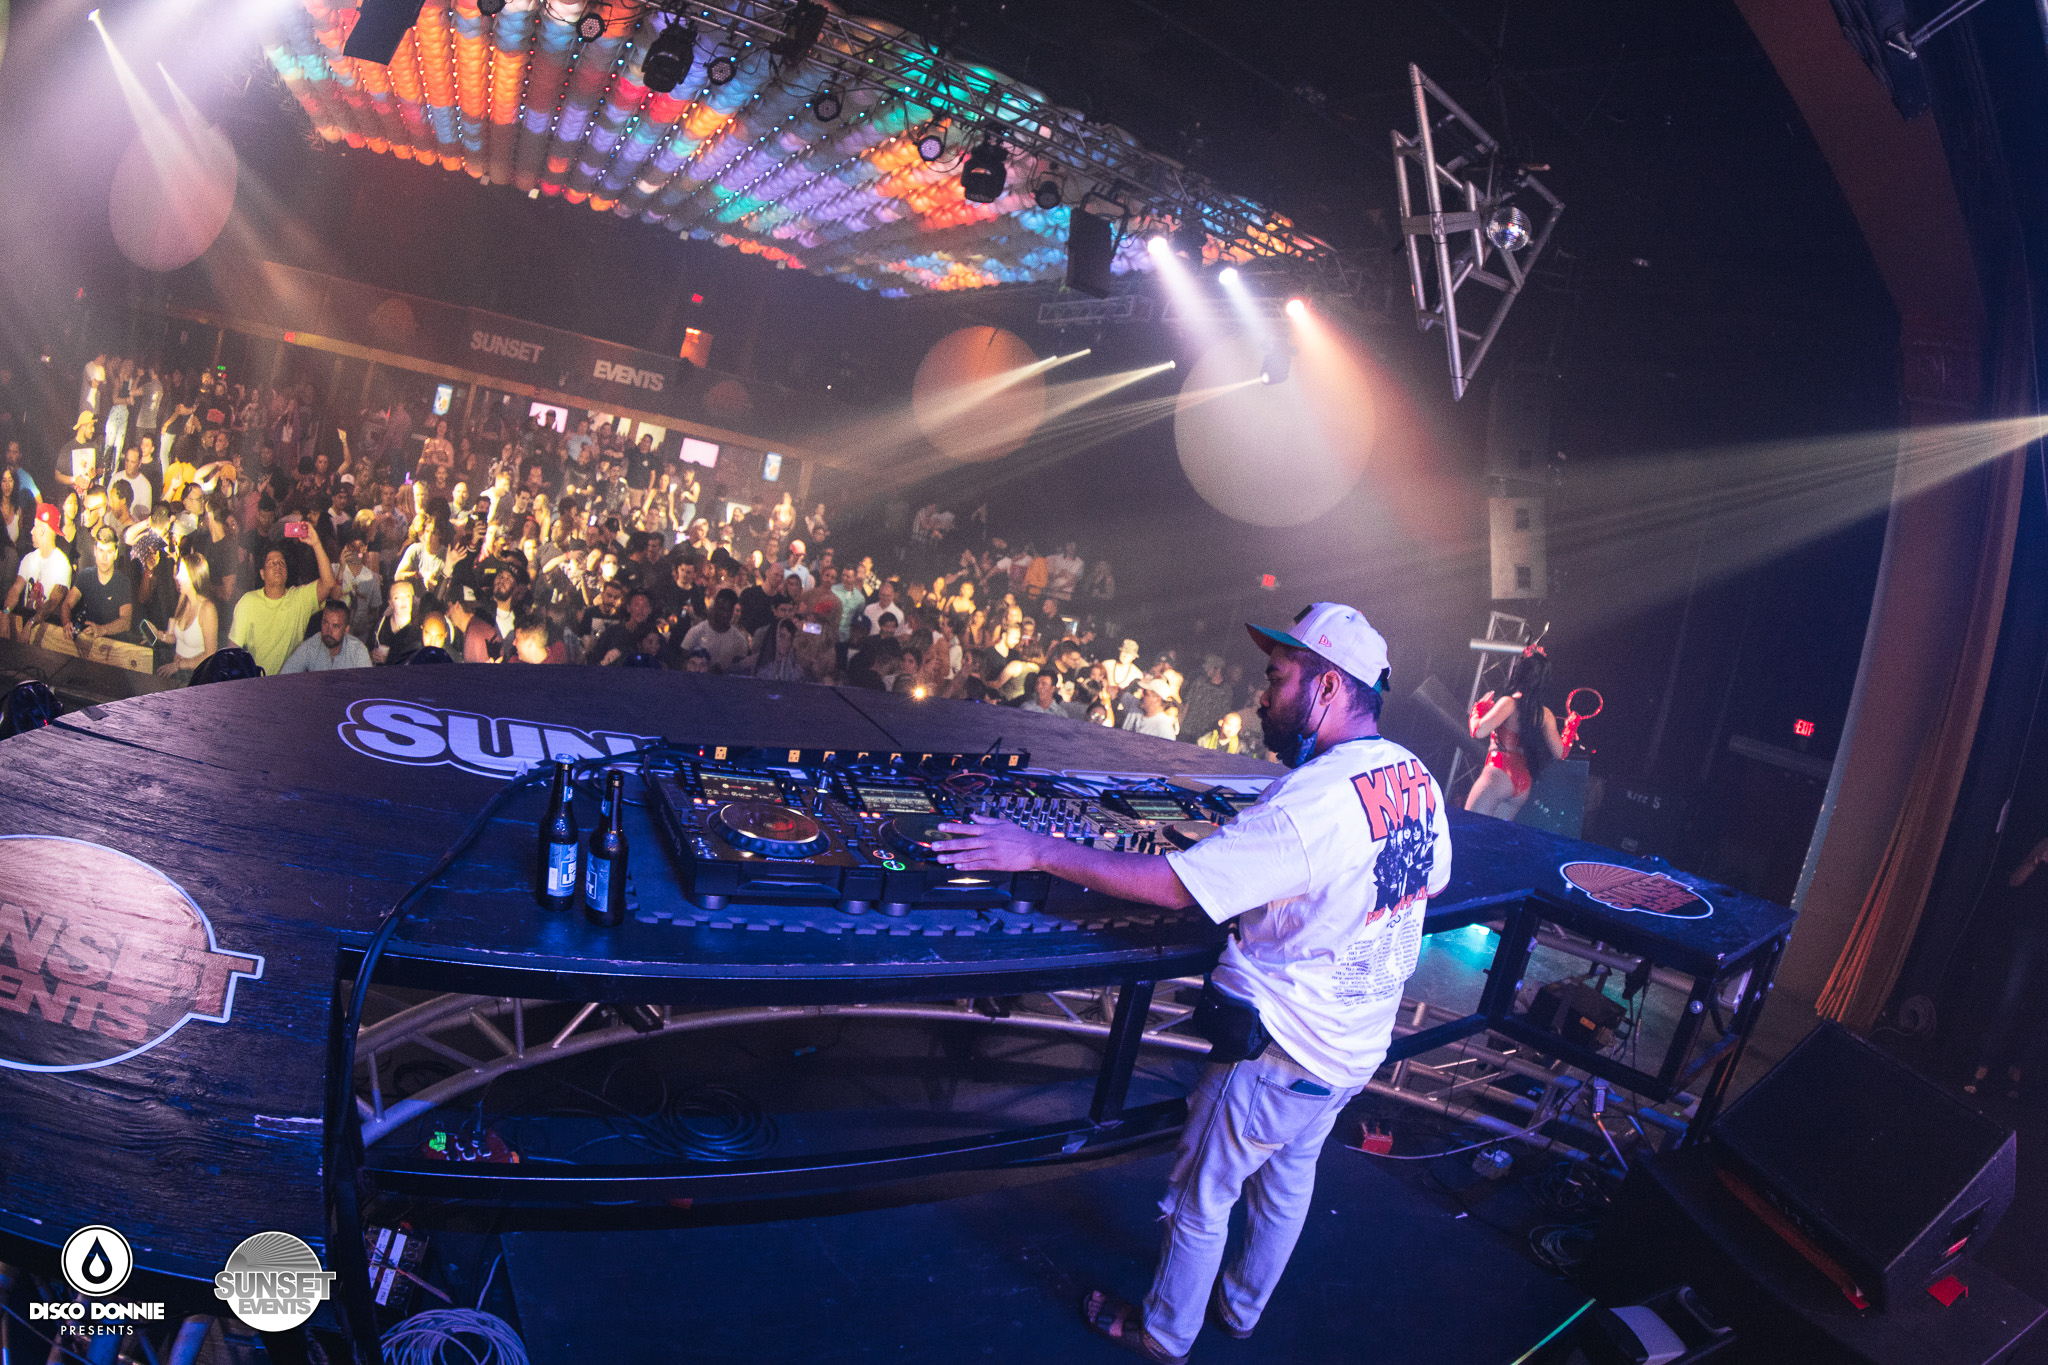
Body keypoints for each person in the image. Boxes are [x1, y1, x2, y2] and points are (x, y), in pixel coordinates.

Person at [932, 604, 1448, 1364]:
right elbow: (1422, 879)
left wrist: (1036, 849)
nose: (1262, 696)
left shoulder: (1315, 803)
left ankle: (1163, 1333)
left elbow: (1176, 887)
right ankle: (1241, 1310)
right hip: (1355, 1044)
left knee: (1201, 1197)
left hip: (1278, 1051)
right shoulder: (1415, 777)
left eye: (1277, 678)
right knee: (1288, 1179)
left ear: (1328, 687)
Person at [1465, 647, 1566, 820]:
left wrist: (1478, 709)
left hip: (1498, 774)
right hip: (1523, 784)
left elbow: (1478, 731)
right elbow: (1560, 752)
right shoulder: (1545, 714)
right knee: (1495, 836)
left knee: (1468, 827)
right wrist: (1570, 728)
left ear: (1520, 673)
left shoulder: (1508, 704)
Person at [228, 526, 337, 676]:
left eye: (281, 563)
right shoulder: (248, 602)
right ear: (262, 574)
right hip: (259, 681)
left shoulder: (300, 598)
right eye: (271, 563)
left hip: (290, 683)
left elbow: (329, 583)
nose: (278, 566)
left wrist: (316, 543)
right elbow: (233, 649)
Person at [153, 549, 218, 682]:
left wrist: (179, 665)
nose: (177, 577)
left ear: (194, 576)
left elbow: (210, 654)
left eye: (182, 573)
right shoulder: (183, 600)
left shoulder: (207, 609)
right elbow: (175, 638)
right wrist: (157, 634)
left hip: (196, 676)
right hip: (177, 672)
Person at [59, 525, 133, 641]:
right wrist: (66, 622)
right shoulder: (85, 575)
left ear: (115, 554)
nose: (104, 557)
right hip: (85, 640)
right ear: (95, 551)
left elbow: (125, 622)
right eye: (101, 551)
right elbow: (67, 603)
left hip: (111, 644)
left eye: (109, 552)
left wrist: (102, 629)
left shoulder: (122, 583)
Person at [5, 504, 72, 628]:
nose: (31, 531)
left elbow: (53, 601)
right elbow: (16, 589)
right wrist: (5, 613)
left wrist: (32, 622)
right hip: (26, 621)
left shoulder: (62, 564)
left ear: (42, 530)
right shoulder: (28, 559)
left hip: (47, 628)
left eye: (35, 526)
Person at [280, 599, 372, 672]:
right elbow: (286, 674)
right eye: (325, 623)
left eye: (335, 626)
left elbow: (369, 685)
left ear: (346, 630)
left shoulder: (358, 650)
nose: (328, 631)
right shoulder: (312, 645)